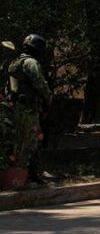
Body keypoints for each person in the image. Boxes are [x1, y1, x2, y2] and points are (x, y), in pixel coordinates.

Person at [7, 34, 52, 184]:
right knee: (32, 140)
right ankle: (30, 175)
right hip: (29, 108)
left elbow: (10, 88)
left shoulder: (15, 63)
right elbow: (40, 83)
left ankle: (22, 173)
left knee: (20, 140)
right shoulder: (31, 63)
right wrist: (48, 98)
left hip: (17, 107)